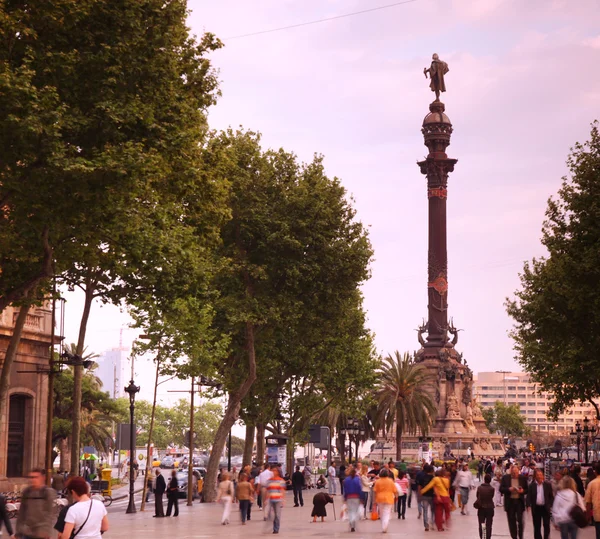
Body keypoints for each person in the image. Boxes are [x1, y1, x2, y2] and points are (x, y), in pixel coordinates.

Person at [15, 468, 56, 539]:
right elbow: (22, 512)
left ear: (43, 478)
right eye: (31, 477)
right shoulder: (27, 492)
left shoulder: (47, 492)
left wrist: (46, 531)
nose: (33, 480)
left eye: (36, 477)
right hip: (26, 531)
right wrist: (18, 531)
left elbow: (50, 513)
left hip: (41, 533)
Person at [500, 465, 528, 539]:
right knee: (511, 521)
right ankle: (514, 536)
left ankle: (521, 536)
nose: (515, 474)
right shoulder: (505, 478)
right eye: (513, 473)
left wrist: (522, 491)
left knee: (520, 521)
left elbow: (527, 489)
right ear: (511, 472)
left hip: (519, 502)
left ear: (518, 471)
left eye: (516, 472)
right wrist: (508, 489)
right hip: (510, 502)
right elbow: (501, 489)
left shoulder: (522, 478)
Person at [527, 469, 553, 539]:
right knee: (537, 526)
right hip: (536, 508)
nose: (539, 477)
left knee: (547, 525)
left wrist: (550, 505)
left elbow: (551, 497)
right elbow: (529, 496)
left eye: (541, 475)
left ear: (543, 476)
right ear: (535, 476)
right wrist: (528, 505)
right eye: (538, 475)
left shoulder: (547, 485)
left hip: (545, 508)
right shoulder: (531, 486)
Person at [373, 468, 398, 533]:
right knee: (387, 512)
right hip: (389, 498)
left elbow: (375, 491)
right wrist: (396, 497)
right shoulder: (391, 481)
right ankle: (385, 526)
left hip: (380, 498)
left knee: (381, 513)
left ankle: (383, 526)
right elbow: (395, 490)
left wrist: (374, 500)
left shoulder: (378, 481)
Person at [475, 474, 496, 539]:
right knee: (489, 524)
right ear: (490, 480)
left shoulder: (479, 488)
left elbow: (477, 496)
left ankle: (483, 536)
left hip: (481, 507)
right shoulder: (492, 489)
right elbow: (491, 497)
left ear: (484, 479)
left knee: (482, 524)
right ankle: (488, 537)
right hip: (490, 507)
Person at [267, 467, 287, 534]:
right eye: (272, 470)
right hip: (271, 499)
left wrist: (283, 499)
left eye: (274, 471)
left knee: (277, 515)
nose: (273, 472)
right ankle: (273, 526)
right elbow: (268, 490)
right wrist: (266, 499)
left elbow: (282, 490)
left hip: (278, 499)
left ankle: (276, 529)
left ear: (278, 472)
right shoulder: (269, 480)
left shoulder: (281, 480)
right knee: (271, 515)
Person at [343, 466, 362, 532]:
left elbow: (345, 489)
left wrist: (345, 498)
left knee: (350, 511)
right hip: (356, 497)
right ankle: (353, 522)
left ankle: (351, 523)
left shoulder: (346, 480)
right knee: (355, 511)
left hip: (349, 497)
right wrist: (361, 497)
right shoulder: (357, 479)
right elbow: (359, 488)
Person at [417, 464, 435, 531]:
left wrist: (419, 494)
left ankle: (426, 525)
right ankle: (432, 523)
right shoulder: (433, 478)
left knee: (425, 510)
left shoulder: (422, 477)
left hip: (424, 495)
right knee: (433, 510)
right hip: (432, 495)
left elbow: (419, 486)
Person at [584, 463, 600, 539]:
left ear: (595, 472)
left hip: (598, 515)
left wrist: (588, 516)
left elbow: (588, 502)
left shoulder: (592, 484)